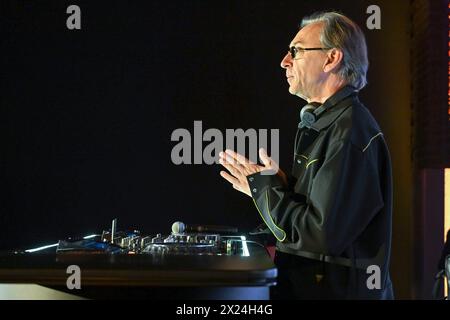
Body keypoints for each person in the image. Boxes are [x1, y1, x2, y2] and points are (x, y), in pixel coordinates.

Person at [219, 11, 394, 299]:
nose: (284, 61)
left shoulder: (349, 133)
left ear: (331, 58)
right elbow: (319, 216)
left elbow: (319, 235)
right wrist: (277, 186)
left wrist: (265, 189)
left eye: (296, 51)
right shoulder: (329, 123)